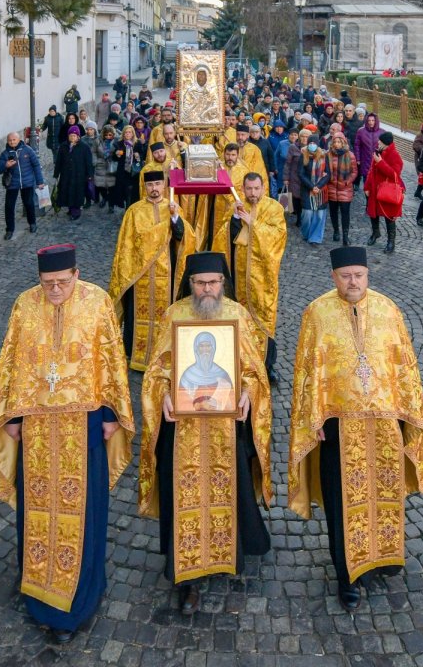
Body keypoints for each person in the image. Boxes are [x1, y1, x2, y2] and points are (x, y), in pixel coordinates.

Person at [0, 244, 134, 645]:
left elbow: (112, 362)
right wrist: (12, 418)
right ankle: (38, 591)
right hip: (38, 430)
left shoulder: (98, 303)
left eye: (62, 282)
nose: (55, 290)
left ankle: (80, 600)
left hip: (84, 427)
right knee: (38, 509)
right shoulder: (24, 306)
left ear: (77, 275)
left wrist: (113, 415)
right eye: (48, 284)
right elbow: (11, 363)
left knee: (84, 510)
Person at [288, 246, 423, 610]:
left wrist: (407, 413)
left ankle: (384, 557)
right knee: (343, 500)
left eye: (359, 275)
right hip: (338, 426)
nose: (353, 282)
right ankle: (347, 575)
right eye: (345, 276)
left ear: (368, 274)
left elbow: (405, 365)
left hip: (385, 423)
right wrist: (312, 417)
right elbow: (305, 372)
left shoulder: (388, 310)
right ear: (333, 277)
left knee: (385, 491)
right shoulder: (317, 313)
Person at [138, 251, 272, 616]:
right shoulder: (174, 315)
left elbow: (254, 370)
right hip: (181, 433)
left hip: (228, 430)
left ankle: (231, 555)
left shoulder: (237, 315)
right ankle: (188, 578)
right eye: (200, 283)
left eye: (213, 282)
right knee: (183, 498)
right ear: (190, 285)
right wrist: (163, 394)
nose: (207, 289)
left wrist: (247, 391)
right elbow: (156, 370)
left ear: (223, 283)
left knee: (233, 491)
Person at [108, 171, 197, 371]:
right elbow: (127, 246)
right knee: (134, 315)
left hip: (167, 273)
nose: (154, 188)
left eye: (157, 184)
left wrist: (175, 220)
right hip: (139, 276)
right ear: (145, 187)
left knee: (166, 314)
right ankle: (134, 356)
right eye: (150, 185)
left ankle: (165, 355)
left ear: (164, 186)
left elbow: (184, 238)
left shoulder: (173, 208)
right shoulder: (134, 211)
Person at [228, 172, 287, 382]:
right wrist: (236, 218)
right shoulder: (236, 207)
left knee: (265, 319)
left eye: (256, 188)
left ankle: (267, 364)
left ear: (263, 188)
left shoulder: (274, 208)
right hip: (240, 275)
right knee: (241, 318)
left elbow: (278, 237)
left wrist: (253, 224)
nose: (252, 193)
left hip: (263, 277)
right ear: (243, 189)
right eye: (249, 189)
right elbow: (228, 239)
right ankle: (241, 361)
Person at [0, 131, 45, 239]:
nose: (12, 142)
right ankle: (9, 230)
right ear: (7, 141)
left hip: (27, 182)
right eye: (10, 140)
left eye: (14, 140)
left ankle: (32, 223)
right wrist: (6, 165)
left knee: (29, 203)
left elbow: (36, 165)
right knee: (9, 207)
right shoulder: (5, 153)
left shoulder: (27, 150)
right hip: (12, 183)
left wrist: (40, 181)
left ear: (19, 140)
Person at [365, 132, 405, 253]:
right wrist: (367, 186)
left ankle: (391, 242)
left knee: (389, 216)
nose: (378, 143)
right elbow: (371, 171)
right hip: (374, 189)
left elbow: (394, 174)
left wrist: (380, 162)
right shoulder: (378, 152)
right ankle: (375, 233)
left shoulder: (395, 156)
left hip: (387, 191)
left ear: (385, 143)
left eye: (380, 142)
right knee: (373, 213)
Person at [324, 131, 356, 246]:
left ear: (343, 142)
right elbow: (325, 170)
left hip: (345, 188)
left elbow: (354, 172)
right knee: (333, 212)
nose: (337, 144)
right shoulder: (328, 155)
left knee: (345, 213)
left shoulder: (350, 155)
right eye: (335, 142)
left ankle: (345, 236)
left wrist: (347, 182)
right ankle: (336, 230)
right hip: (332, 187)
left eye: (339, 142)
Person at [55, 125, 93, 220]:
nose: (72, 137)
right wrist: (56, 173)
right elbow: (59, 161)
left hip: (79, 175)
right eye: (71, 135)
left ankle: (76, 211)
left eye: (74, 136)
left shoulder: (84, 147)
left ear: (78, 137)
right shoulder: (63, 146)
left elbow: (88, 162)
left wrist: (89, 175)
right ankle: (70, 207)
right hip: (66, 174)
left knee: (77, 192)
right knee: (67, 191)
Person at [298, 134, 330, 245]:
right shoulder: (303, 155)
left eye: (314, 143)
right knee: (307, 213)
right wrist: (312, 186)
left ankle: (315, 237)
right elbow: (301, 174)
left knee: (320, 215)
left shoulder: (324, 156)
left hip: (321, 190)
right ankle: (306, 233)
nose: (312, 145)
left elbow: (328, 174)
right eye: (310, 143)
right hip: (307, 189)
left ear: (317, 144)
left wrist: (319, 186)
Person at [110, 126, 142, 211]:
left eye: (130, 132)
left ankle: (129, 209)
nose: (128, 134)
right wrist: (116, 154)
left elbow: (142, 157)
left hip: (134, 172)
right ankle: (126, 207)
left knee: (132, 192)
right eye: (126, 132)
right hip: (122, 172)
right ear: (123, 133)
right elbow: (113, 158)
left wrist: (138, 156)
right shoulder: (119, 143)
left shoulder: (137, 143)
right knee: (124, 191)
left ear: (133, 133)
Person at [354, 112, 382, 192]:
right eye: (369, 120)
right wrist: (358, 159)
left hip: (377, 162)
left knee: (377, 184)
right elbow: (357, 146)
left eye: (373, 120)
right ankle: (368, 202)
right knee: (367, 184)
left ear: (376, 121)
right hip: (365, 160)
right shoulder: (361, 131)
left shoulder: (382, 132)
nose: (371, 122)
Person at [282, 128, 303, 226]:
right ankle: (296, 216)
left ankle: (301, 218)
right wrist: (286, 178)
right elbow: (287, 163)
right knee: (295, 198)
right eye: (302, 136)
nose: (304, 138)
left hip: (305, 178)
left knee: (303, 198)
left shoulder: (311, 147)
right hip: (294, 176)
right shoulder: (293, 147)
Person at [94, 126, 118, 210]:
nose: (108, 137)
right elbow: (93, 152)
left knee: (111, 186)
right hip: (100, 164)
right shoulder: (98, 141)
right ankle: (105, 197)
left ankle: (111, 205)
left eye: (110, 135)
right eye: (106, 135)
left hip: (111, 165)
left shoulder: (116, 141)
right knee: (100, 185)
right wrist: (95, 161)